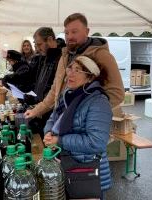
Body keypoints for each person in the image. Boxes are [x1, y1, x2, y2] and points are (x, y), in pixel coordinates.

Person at [24, 13, 124, 119]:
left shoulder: (101, 55)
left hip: (84, 125)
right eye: (66, 33)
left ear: (87, 31)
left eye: (74, 32)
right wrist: (36, 110)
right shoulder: (65, 56)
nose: (69, 36)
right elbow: (55, 91)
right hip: (61, 120)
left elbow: (117, 93)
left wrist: (84, 112)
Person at [43, 55, 112, 199]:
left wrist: (59, 140)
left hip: (87, 170)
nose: (70, 74)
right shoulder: (68, 94)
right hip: (67, 164)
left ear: (90, 77)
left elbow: (96, 142)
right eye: (70, 68)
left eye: (78, 70)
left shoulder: (98, 102)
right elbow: (53, 118)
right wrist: (49, 132)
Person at [23, 27, 62, 138]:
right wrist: (34, 97)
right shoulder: (43, 57)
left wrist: (40, 104)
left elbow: (56, 90)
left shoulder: (61, 59)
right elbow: (40, 83)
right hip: (42, 110)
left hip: (52, 115)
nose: (37, 48)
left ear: (50, 40)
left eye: (39, 44)